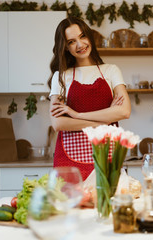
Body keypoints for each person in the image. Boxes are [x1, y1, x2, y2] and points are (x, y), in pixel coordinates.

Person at [48, 16, 131, 180]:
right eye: (71, 42)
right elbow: (58, 123)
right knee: (72, 204)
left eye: (82, 36)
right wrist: (106, 118)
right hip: (68, 159)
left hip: (106, 154)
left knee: (105, 203)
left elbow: (124, 111)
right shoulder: (61, 76)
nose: (80, 45)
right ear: (65, 47)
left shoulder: (110, 70)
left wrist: (77, 115)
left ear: (89, 36)